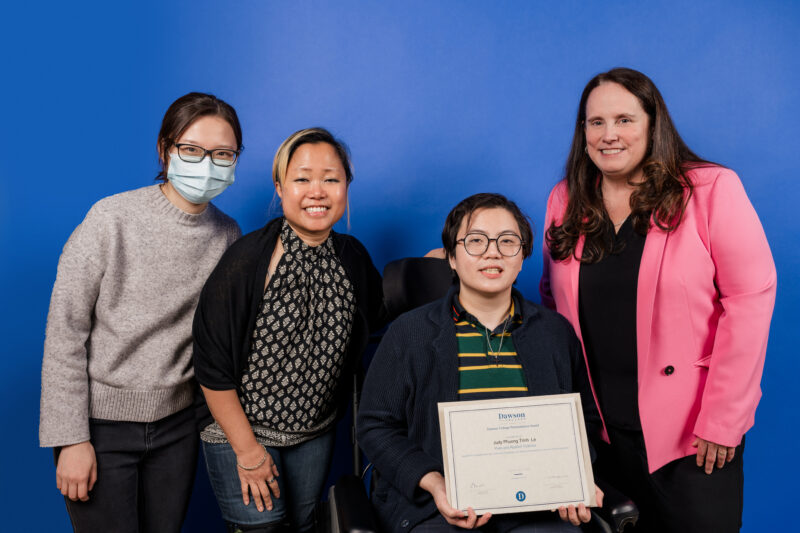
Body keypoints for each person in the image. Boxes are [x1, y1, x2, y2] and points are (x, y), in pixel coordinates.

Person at [540, 67, 776, 532]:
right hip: (598, 435)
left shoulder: (709, 190)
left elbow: (751, 300)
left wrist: (723, 419)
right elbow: (551, 304)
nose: (609, 135)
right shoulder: (565, 199)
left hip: (692, 436)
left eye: (625, 120)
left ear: (653, 125)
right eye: (596, 122)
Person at [39, 92, 243, 532]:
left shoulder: (227, 234)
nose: (207, 163)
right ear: (165, 149)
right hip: (101, 426)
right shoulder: (111, 218)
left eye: (223, 154)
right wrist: (70, 438)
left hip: (178, 427)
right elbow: (65, 331)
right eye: (192, 150)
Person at [358, 193, 603, 533]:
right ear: (453, 259)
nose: (493, 252)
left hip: (539, 507)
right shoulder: (409, 334)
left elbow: (584, 422)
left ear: (522, 257)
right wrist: (433, 483)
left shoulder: (554, 333)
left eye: (507, 241)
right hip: (438, 509)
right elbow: (374, 426)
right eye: (476, 241)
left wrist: (575, 474)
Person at [192, 127, 386, 533]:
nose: (317, 191)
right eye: (302, 179)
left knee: (302, 527)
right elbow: (212, 367)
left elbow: (381, 319)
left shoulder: (353, 258)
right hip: (240, 430)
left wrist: (442, 261)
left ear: (346, 187)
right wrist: (247, 452)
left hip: (313, 432)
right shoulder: (245, 262)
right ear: (280, 188)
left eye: (331, 179)